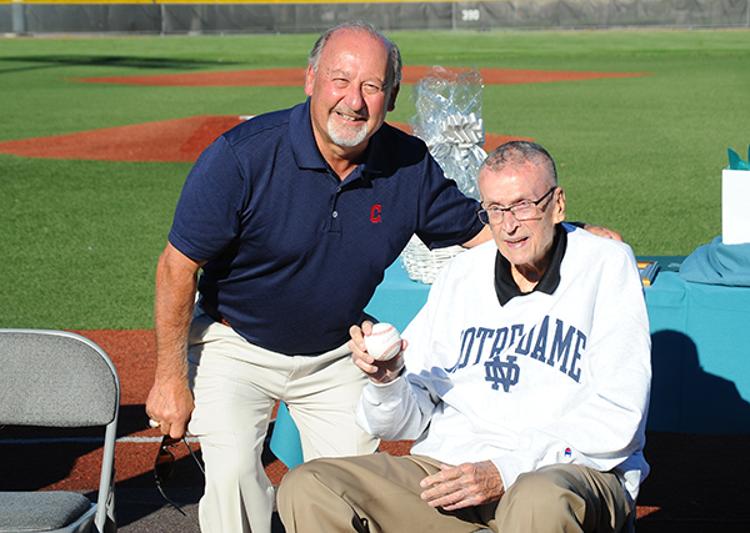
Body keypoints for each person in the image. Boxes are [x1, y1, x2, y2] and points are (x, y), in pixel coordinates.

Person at [145, 21, 492, 533]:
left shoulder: (408, 165)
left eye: (371, 86)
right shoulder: (242, 156)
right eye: (339, 80)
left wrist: (569, 233)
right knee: (234, 474)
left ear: (391, 97)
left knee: (354, 486)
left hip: (336, 350)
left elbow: (484, 234)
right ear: (310, 79)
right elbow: (178, 265)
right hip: (235, 342)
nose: (353, 101)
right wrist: (170, 379)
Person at [277, 141, 651, 533]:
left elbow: (617, 419)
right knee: (310, 486)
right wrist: (387, 381)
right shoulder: (462, 274)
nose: (508, 226)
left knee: (538, 499)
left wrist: (505, 471)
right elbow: (403, 422)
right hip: (451, 476)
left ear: (557, 204)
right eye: (495, 209)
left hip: (563, 474)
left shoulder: (606, 265)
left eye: (523, 205)